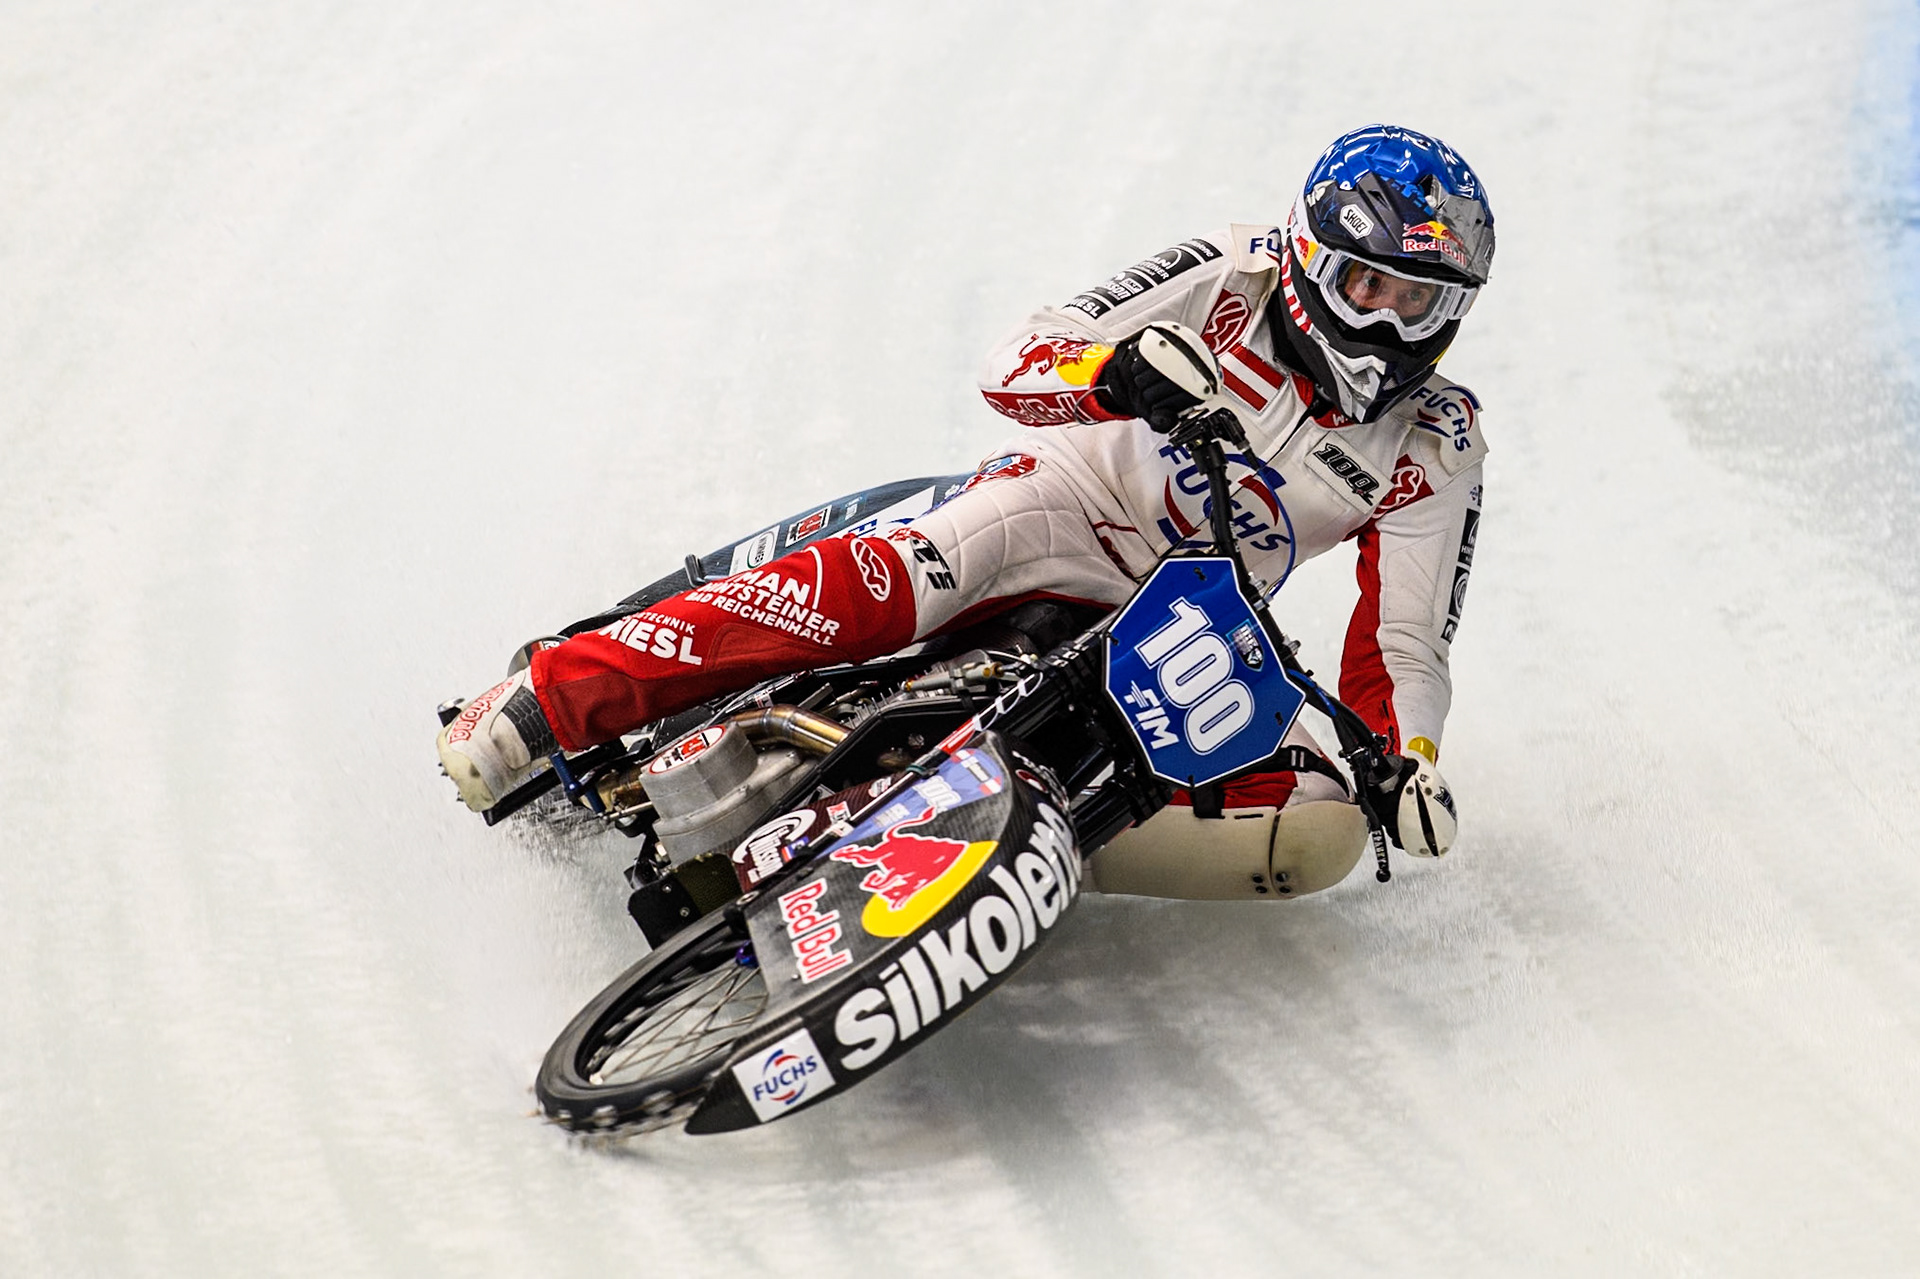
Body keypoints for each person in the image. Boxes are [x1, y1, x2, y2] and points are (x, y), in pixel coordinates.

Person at [438, 123, 1493, 901]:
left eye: (1421, 303)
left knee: (1323, 825)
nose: (1387, 324)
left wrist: (1409, 763)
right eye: (1366, 285)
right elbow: (1018, 356)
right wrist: (1114, 374)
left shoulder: (1438, 440)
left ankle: (1013, 851)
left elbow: (1404, 642)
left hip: (1197, 625)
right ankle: (551, 700)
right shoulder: (1227, 272)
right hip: (1067, 503)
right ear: (1309, 257)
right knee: (902, 578)